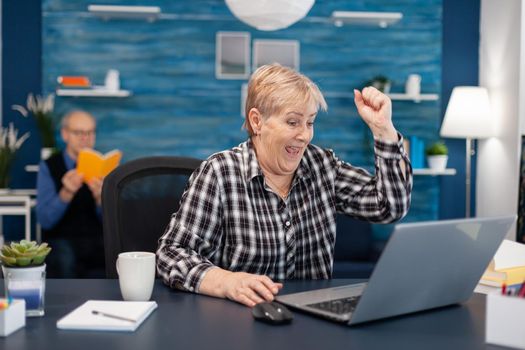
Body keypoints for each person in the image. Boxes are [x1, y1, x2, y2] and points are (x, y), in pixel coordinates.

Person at [157, 64, 413, 307]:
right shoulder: (220, 173)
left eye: (310, 122)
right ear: (257, 121)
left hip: (315, 321)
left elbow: (389, 207)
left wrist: (383, 130)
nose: (304, 135)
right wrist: (225, 281)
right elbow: (171, 254)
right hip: (240, 321)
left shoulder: (322, 165)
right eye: (292, 122)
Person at [36, 110, 105, 278]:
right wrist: (66, 193)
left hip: (95, 240)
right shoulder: (49, 166)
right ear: (65, 134)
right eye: (78, 132)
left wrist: (101, 199)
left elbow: (112, 224)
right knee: (65, 257)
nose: (85, 138)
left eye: (90, 132)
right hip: (60, 240)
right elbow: (45, 221)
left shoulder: (104, 167)